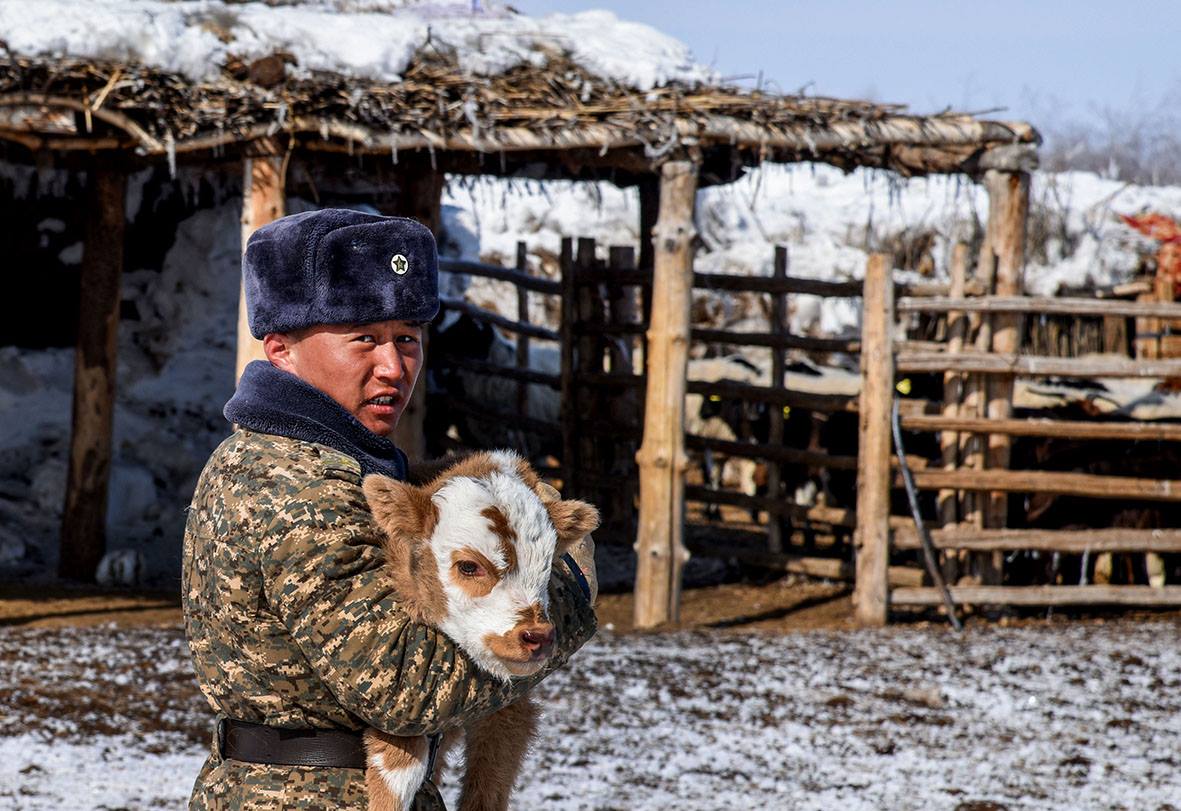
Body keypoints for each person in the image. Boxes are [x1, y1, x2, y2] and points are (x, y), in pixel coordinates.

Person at [183, 209, 597, 810]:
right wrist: (560, 586)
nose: (394, 366)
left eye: (408, 338)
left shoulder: (341, 466)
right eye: (364, 339)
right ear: (280, 350)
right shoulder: (296, 487)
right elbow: (407, 685)